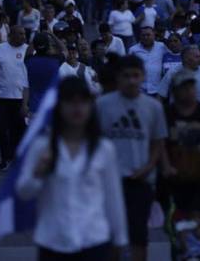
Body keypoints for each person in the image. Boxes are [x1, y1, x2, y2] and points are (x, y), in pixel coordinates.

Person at [16, 77, 128, 260]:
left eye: (83, 102)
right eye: (70, 101)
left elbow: (113, 198)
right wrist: (38, 173)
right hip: (53, 240)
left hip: (93, 239)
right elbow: (23, 192)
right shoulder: (42, 146)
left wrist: (120, 239)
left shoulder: (103, 148)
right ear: (59, 105)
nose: (77, 108)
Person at [96, 56, 167, 261]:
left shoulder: (153, 107)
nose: (131, 81)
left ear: (143, 77)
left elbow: (158, 142)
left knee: (138, 237)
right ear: (118, 78)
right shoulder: (102, 105)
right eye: (126, 76)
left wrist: (148, 166)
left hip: (141, 180)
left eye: (136, 75)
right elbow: (95, 143)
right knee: (110, 236)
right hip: (110, 181)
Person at [164, 70, 200, 215]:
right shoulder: (167, 113)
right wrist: (165, 166)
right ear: (174, 91)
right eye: (183, 87)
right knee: (179, 225)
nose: (189, 90)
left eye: (191, 86)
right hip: (175, 178)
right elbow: (160, 143)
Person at [0, 25, 29, 170]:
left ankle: (14, 157)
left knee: (18, 130)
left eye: (24, 34)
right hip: (1, 97)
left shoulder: (28, 50)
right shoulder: (0, 49)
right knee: (1, 129)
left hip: (20, 98)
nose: (24, 36)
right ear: (11, 35)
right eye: (20, 34)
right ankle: (5, 158)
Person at [128, 26, 167, 96]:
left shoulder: (162, 47)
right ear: (140, 36)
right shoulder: (133, 50)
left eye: (148, 35)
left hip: (157, 90)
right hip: (139, 90)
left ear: (154, 35)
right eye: (143, 35)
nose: (146, 37)